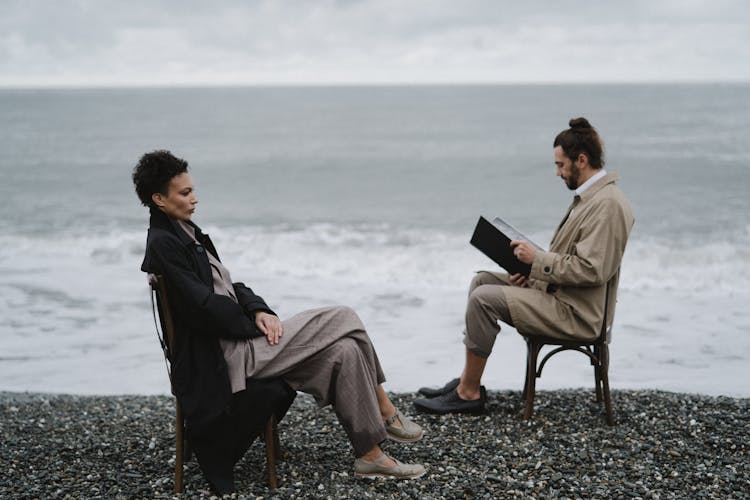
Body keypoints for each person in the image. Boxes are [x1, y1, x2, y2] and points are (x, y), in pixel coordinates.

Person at [133, 150, 426, 492]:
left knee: (344, 351)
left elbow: (231, 287)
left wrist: (260, 310)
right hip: (229, 357)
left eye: (192, 190)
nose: (194, 198)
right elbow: (203, 308)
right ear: (159, 199)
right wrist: (252, 325)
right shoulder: (164, 245)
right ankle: (386, 411)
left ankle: (370, 455)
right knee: (344, 316)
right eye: (184, 193)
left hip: (241, 343)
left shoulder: (185, 232)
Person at [414, 117, 634, 414]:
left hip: (577, 314)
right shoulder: (589, 199)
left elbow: (593, 270)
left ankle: (467, 394)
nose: (557, 172)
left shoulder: (607, 204)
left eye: (560, 165)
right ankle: (468, 379)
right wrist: (533, 273)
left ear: (581, 160)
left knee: (483, 300)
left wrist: (537, 261)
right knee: (482, 282)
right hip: (560, 295)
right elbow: (572, 261)